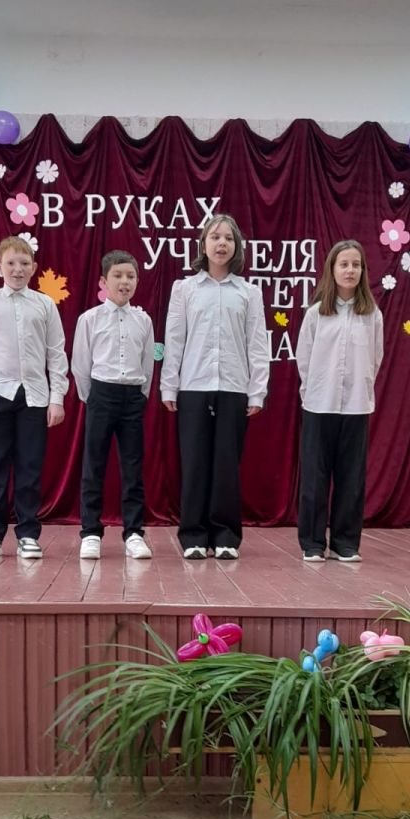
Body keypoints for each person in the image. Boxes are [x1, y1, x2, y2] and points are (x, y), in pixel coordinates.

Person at [160, 214, 269, 560]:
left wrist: (257, 390)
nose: (222, 243)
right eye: (215, 237)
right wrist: (169, 386)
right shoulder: (185, 289)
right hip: (193, 386)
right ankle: (193, 535)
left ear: (237, 247)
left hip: (234, 388)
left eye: (229, 238)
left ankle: (225, 536)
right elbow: (174, 339)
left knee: (226, 465)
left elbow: (257, 344)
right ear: (203, 244)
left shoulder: (249, 293)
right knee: (194, 463)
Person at [0, 235, 68, 560]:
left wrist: (57, 398)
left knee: (29, 468)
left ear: (34, 267)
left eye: (24, 263)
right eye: (11, 263)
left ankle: (28, 534)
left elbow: (56, 353)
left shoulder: (45, 305)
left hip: (34, 398)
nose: (18, 269)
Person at [296, 239, 383, 563]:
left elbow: (376, 358)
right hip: (320, 403)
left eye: (356, 265)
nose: (350, 270)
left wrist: (361, 386)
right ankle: (313, 542)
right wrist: (313, 390)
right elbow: (304, 358)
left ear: (363, 271)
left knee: (351, 477)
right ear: (332, 270)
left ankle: (345, 543)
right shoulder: (317, 314)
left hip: (357, 405)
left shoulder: (371, 315)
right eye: (344, 264)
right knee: (315, 476)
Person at [71, 250, 154, 559]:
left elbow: (147, 364)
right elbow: (81, 364)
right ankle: (91, 532)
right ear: (104, 282)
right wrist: (91, 396)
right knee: (94, 465)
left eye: (130, 276)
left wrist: (141, 395)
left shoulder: (143, 320)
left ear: (137, 281)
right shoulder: (89, 319)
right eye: (117, 276)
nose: (124, 282)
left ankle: (134, 533)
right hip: (101, 395)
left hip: (132, 397)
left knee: (132, 467)